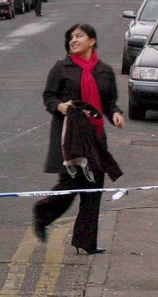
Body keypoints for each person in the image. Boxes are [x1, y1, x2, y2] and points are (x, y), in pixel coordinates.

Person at [33, 24, 125, 254]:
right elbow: (48, 96)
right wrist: (60, 106)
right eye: (71, 37)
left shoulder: (104, 71)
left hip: (95, 137)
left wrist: (115, 114)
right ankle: (42, 213)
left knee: (94, 188)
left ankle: (86, 242)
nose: (73, 40)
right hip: (69, 136)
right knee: (71, 183)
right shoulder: (61, 68)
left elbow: (109, 102)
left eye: (79, 36)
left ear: (92, 41)